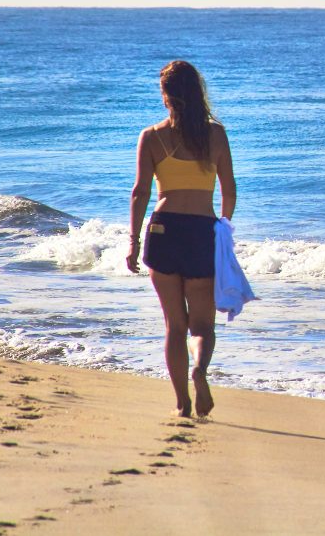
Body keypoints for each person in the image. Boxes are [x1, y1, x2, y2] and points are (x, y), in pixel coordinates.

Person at [126, 60, 236, 417]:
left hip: (163, 230)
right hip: (201, 229)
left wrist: (134, 242)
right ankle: (200, 370)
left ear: (166, 96)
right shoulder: (215, 134)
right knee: (202, 325)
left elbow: (140, 192)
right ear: (197, 92)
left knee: (174, 326)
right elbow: (230, 190)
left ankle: (181, 403)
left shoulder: (152, 136)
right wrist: (224, 226)